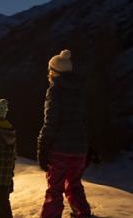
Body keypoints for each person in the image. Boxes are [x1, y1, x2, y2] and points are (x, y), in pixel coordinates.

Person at [38, 49, 93, 218]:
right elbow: (86, 119)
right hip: (80, 147)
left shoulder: (54, 91)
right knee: (74, 184)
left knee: (55, 188)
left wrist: (43, 144)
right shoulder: (80, 91)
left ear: (53, 71)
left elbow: (51, 121)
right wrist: (88, 145)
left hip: (59, 148)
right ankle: (83, 213)